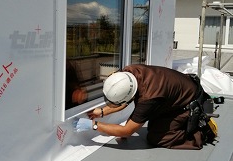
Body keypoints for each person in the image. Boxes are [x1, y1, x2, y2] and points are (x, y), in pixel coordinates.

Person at [75, 64, 213, 150]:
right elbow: (125, 100)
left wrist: (94, 125)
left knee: (156, 138)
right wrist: (102, 112)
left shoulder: (149, 98)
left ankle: (200, 133)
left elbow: (127, 131)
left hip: (187, 103)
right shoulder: (127, 73)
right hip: (176, 94)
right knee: (153, 123)